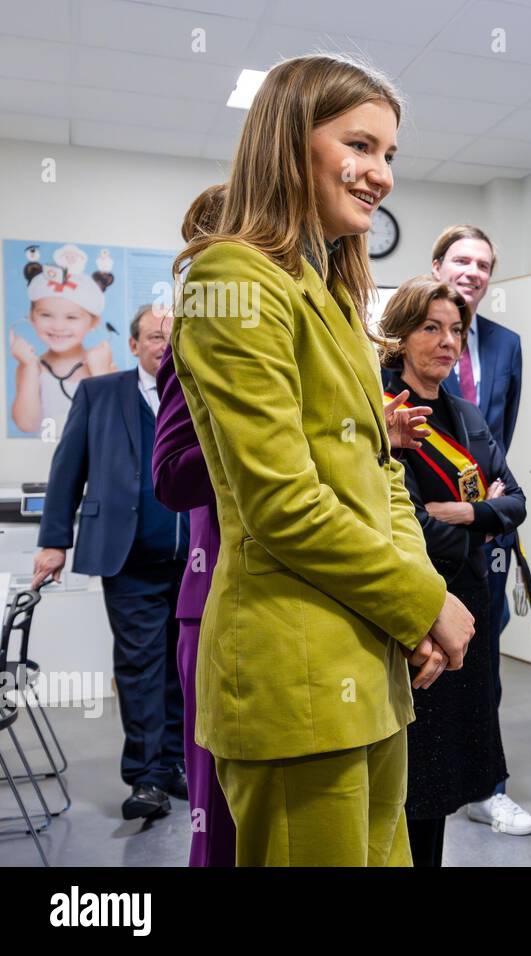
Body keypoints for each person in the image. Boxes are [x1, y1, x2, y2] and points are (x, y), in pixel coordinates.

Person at [169, 53, 473, 867]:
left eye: (390, 156)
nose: (380, 175)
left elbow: (380, 472)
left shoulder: (332, 295)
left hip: (369, 664)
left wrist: (420, 603)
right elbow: (282, 507)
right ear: (288, 140)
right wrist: (423, 602)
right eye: (361, 146)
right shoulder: (229, 280)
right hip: (295, 668)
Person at [377, 275, 527, 866]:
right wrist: (471, 535)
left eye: (456, 330)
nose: (447, 341)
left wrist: (466, 510)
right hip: (417, 606)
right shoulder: (384, 410)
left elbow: (514, 500)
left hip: (471, 609)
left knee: (444, 780)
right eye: (431, 328)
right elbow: (399, 516)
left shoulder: (465, 414)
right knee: (410, 775)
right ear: (401, 334)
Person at [32, 304, 188, 822]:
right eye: (154, 338)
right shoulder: (100, 394)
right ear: (135, 344)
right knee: (142, 666)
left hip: (194, 563)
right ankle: (146, 778)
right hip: (129, 561)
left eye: (172, 338)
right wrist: (55, 541)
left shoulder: (196, 396)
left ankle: (179, 765)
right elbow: (67, 470)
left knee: (184, 669)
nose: (163, 347)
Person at [431, 223, 531, 836]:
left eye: (484, 264)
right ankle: (418, 780)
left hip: (484, 534)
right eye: (462, 260)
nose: (473, 272)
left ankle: (486, 787)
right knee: (422, 660)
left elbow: (498, 437)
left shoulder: (505, 344)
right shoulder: (397, 339)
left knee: (484, 658)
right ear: (438, 265)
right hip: (414, 527)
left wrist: (485, 506)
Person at [152, 183, 237, 866]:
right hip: (215, 605)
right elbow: (173, 477)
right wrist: (269, 448)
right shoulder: (197, 345)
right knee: (221, 821)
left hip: (297, 606)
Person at [10, 243, 118, 436]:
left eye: (72, 317)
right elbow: (27, 425)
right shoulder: (31, 368)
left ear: (94, 322)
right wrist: (28, 366)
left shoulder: (104, 366)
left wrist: (100, 371)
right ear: (31, 316)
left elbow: (115, 423)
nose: (58, 326)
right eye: (46, 315)